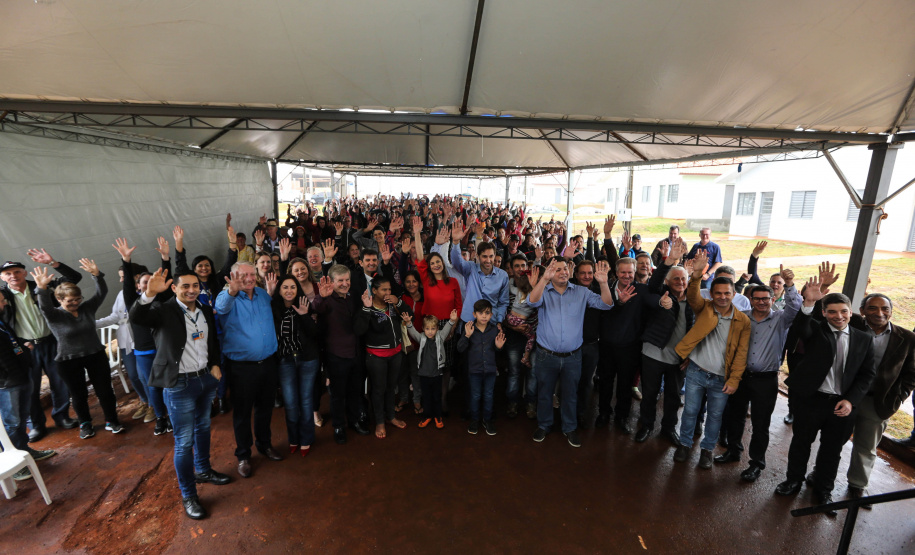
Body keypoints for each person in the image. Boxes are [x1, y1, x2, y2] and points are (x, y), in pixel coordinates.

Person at [129, 268, 230, 520]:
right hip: (179, 385)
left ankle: (204, 470)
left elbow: (212, 341)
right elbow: (137, 317)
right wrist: (149, 293)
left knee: (204, 428)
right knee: (184, 442)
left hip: (205, 379)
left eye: (195, 286)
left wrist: (215, 363)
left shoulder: (205, 308)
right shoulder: (163, 310)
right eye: (185, 286)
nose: (191, 290)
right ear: (174, 288)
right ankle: (189, 494)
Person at [775, 287, 876, 516]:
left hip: (841, 405)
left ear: (851, 312)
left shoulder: (864, 340)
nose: (838, 317)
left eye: (843, 312)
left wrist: (851, 400)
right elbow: (801, 327)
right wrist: (808, 302)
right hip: (811, 400)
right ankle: (793, 482)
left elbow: (867, 375)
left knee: (832, 450)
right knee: (801, 443)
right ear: (824, 312)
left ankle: (824, 490)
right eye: (832, 312)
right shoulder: (816, 331)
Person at [716, 267, 801, 482]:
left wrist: (790, 285)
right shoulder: (742, 318)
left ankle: (756, 463)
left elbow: (796, 307)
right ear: (750, 300)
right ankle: (734, 451)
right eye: (757, 299)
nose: (762, 302)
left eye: (766, 299)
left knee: (761, 424)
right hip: (741, 377)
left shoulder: (781, 320)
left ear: (773, 299)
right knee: (735, 417)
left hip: (766, 380)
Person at [672, 249, 750, 469]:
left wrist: (734, 379)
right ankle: (685, 444)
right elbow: (694, 295)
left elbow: (741, 354)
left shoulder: (742, 321)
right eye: (718, 293)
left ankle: (707, 450)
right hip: (696, 371)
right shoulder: (704, 308)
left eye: (727, 293)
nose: (722, 297)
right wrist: (696, 276)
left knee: (715, 416)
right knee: (690, 411)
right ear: (712, 294)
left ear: (734, 294)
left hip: (720, 378)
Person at [528, 258, 615, 447]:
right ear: (551, 272)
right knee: (544, 393)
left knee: (570, 394)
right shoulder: (544, 290)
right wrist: (543, 280)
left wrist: (603, 283)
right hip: (546, 355)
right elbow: (532, 302)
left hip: (572, 356)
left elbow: (607, 305)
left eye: (565, 269)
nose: (563, 272)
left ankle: (569, 428)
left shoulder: (582, 292)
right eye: (557, 269)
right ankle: (544, 425)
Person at [32, 261, 123, 438]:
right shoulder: (54, 315)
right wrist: (41, 288)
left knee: (105, 390)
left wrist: (97, 275)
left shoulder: (87, 308)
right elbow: (44, 305)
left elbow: (101, 292)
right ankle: (86, 424)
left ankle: (112, 420)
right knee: (78, 394)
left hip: (95, 355)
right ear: (59, 300)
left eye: (77, 299)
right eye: (69, 301)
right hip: (68, 360)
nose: (75, 303)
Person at [0, 252, 80, 442]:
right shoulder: (3, 297)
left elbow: (74, 279)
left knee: (60, 382)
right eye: (8, 273)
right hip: (26, 348)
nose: (13, 276)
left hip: (51, 342)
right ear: (2, 277)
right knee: (30, 388)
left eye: (17, 271)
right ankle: (36, 425)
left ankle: (62, 416)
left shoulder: (41, 285)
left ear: (25, 273)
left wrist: (53, 262)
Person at [845, 294, 915, 507]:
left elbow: (911, 374)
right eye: (872, 308)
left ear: (891, 311)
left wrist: (897, 397)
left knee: (866, 446)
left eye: (884, 308)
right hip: (846, 397)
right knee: (832, 439)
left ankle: (857, 485)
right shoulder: (851, 323)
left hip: (877, 402)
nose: (879, 313)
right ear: (862, 310)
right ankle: (821, 475)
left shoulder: (907, 338)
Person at [216, 262, 283, 478]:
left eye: (252, 274)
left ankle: (264, 444)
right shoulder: (227, 297)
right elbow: (221, 307)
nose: (249, 278)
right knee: (243, 413)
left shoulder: (263, 294)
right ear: (233, 275)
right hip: (241, 368)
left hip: (268, 364)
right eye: (243, 274)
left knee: (265, 409)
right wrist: (232, 290)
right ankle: (243, 455)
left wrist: (272, 292)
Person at [637, 238, 692, 444]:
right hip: (653, 354)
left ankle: (668, 429)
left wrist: (690, 355)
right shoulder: (661, 293)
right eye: (675, 279)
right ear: (668, 282)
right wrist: (669, 261)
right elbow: (654, 283)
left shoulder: (693, 302)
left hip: (678, 359)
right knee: (649, 394)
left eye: (683, 279)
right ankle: (646, 425)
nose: (680, 282)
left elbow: (696, 330)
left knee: (673, 397)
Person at [595, 257, 658, 434]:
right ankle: (604, 413)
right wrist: (619, 303)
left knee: (625, 384)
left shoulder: (642, 291)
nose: (627, 276)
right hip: (606, 346)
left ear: (635, 272)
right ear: (616, 273)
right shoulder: (604, 288)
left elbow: (658, 290)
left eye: (630, 272)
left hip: (630, 348)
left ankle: (622, 416)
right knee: (605, 382)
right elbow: (604, 312)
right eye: (623, 272)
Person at [0, 293, 56, 481]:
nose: (5, 303)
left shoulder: (2, 322)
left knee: (22, 418)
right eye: (0, 300)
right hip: (7, 383)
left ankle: (25, 452)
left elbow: (10, 346)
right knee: (13, 422)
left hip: (21, 376)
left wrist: (24, 351)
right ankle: (15, 465)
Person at [312, 265, 371, 445]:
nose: (345, 284)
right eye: (340, 281)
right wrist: (321, 296)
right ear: (332, 281)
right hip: (336, 355)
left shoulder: (353, 297)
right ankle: (338, 426)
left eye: (347, 280)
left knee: (354, 391)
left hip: (355, 353)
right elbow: (314, 309)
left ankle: (353, 421)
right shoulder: (326, 299)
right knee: (337, 395)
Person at [354, 276, 412, 439]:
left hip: (396, 354)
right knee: (378, 390)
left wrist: (398, 303)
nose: (388, 292)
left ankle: (391, 416)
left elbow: (410, 315)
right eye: (384, 290)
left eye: (389, 290)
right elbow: (359, 330)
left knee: (390, 387)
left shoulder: (393, 305)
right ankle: (379, 421)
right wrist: (366, 309)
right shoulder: (368, 307)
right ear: (374, 291)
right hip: (376, 357)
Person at [271, 276, 320, 457]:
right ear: (280, 290)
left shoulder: (303, 304)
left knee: (306, 401)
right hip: (285, 361)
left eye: (293, 287)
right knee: (291, 403)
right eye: (285, 287)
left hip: (307, 359)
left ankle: (307, 438)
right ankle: (294, 437)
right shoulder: (274, 308)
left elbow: (315, 334)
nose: (289, 290)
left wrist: (304, 315)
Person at [457, 300, 506, 436]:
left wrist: (499, 347)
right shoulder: (469, 328)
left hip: (490, 370)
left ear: (491, 315)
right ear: (474, 314)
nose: (484, 316)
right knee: (475, 395)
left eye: (487, 313)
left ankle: (487, 420)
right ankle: (474, 420)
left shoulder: (495, 330)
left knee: (489, 395)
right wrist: (467, 335)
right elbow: (460, 348)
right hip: (474, 370)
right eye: (480, 313)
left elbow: (498, 351)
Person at [406, 312, 458, 428]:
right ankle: (427, 416)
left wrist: (452, 320)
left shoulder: (440, 337)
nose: (430, 331)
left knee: (436, 397)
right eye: (427, 328)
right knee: (427, 397)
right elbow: (413, 333)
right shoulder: (422, 338)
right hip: (424, 375)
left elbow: (446, 329)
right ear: (423, 329)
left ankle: (437, 417)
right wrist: (409, 323)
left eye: (433, 329)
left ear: (437, 329)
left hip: (437, 374)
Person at [502, 255, 538, 419]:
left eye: (523, 265)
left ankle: (530, 403)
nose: (520, 268)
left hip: (534, 336)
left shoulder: (535, 285)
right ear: (511, 268)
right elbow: (501, 312)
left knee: (532, 372)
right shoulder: (506, 287)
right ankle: (512, 403)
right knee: (514, 372)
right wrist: (512, 326)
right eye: (516, 266)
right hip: (513, 337)